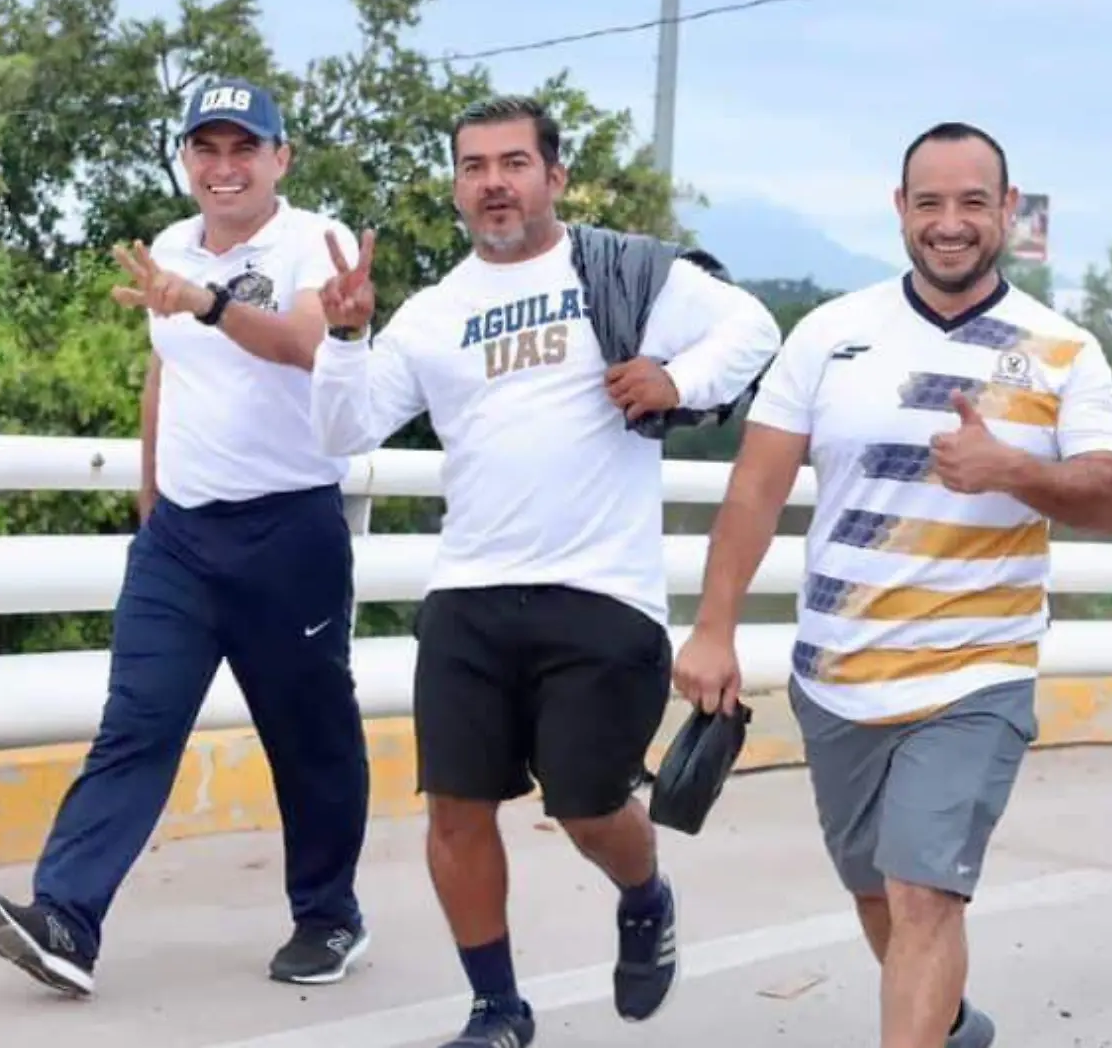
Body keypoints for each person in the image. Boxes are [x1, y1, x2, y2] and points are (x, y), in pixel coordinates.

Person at [305, 94, 781, 1048]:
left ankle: (644, 895)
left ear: (553, 178)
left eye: (514, 163)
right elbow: (341, 432)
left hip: (601, 594)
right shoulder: (435, 313)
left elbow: (755, 330)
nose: (494, 182)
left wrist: (675, 382)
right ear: (456, 187)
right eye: (474, 166)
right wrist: (345, 338)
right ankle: (497, 1008)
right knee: (455, 809)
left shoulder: (623, 272)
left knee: (588, 803)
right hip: (470, 595)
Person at [672, 121, 1112, 1048]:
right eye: (931, 203)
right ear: (901, 211)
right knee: (881, 890)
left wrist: (1011, 469)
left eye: (974, 202)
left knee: (926, 892)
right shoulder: (831, 334)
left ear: (1009, 211)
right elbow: (756, 488)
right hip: (836, 679)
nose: (951, 223)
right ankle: (951, 1025)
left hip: (975, 675)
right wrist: (713, 628)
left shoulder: (1061, 350)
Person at [0, 77, 374, 997]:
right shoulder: (170, 245)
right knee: (135, 726)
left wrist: (208, 303)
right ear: (187, 158)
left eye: (244, 149)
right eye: (207, 149)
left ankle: (329, 916)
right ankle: (66, 919)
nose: (223, 168)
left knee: (309, 736)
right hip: (182, 541)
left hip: (290, 531)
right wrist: (152, 502)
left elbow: (311, 348)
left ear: (281, 158)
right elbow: (166, 377)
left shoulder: (316, 241)